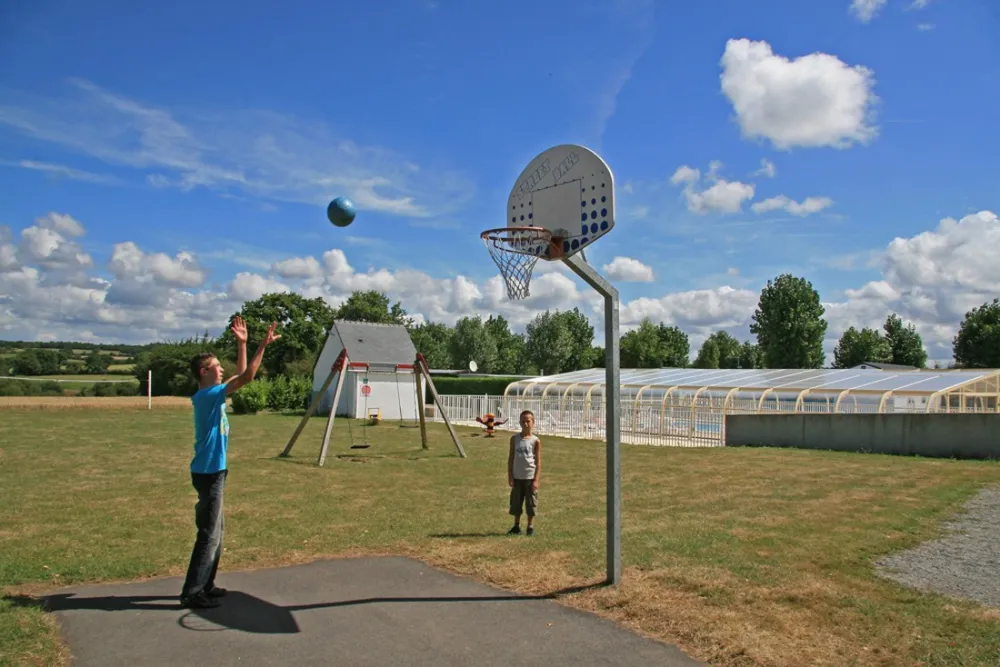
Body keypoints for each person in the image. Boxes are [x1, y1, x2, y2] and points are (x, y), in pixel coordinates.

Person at [179, 317, 281, 609]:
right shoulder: (209, 395)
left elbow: (241, 374)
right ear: (204, 372)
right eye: (216, 366)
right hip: (209, 473)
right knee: (208, 534)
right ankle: (192, 592)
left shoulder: (214, 397)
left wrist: (249, 345)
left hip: (213, 472)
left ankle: (205, 585)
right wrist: (253, 344)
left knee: (216, 533)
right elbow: (247, 376)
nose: (221, 369)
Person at [507, 410, 541, 536]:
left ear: (533, 422)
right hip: (517, 477)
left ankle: (530, 527)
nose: (526, 424)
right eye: (523, 421)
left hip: (530, 477)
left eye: (528, 421)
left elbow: (538, 462)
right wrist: (510, 476)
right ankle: (516, 526)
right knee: (516, 502)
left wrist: (536, 479)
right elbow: (511, 458)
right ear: (520, 423)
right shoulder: (514, 439)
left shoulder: (535, 441)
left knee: (531, 503)